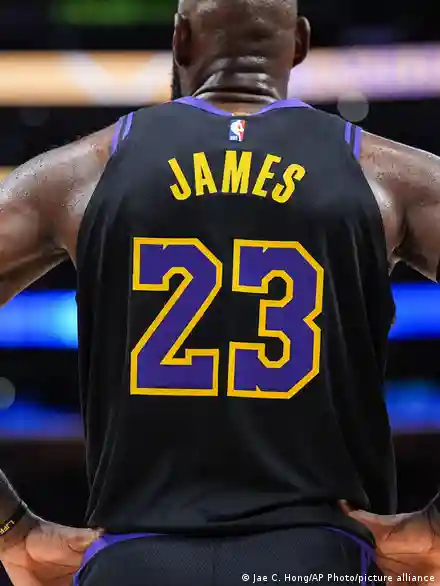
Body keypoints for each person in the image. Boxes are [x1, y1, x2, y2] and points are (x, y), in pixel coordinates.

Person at [0, 0, 440, 584]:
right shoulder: (389, 175)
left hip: (133, 557)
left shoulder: (80, 172)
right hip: (319, 556)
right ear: (299, 44)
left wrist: (11, 529)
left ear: (180, 39)